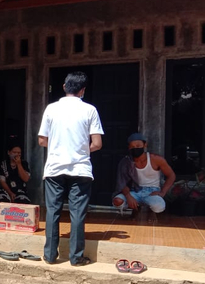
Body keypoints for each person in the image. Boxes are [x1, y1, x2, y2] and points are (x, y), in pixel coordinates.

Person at [38, 71, 104, 266]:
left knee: (52, 211)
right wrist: (80, 150)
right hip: (80, 169)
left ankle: (50, 256)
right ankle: (76, 257)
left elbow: (42, 140)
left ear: (64, 87)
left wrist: (60, 147)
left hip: (54, 169)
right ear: (83, 90)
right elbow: (97, 143)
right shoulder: (90, 110)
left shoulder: (51, 109)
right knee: (77, 213)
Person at [112, 133, 176, 215]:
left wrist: (163, 192)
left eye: (138, 146)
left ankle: (150, 211)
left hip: (152, 191)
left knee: (158, 206)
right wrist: (128, 196)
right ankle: (135, 208)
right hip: (133, 191)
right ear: (129, 148)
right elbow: (122, 182)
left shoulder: (156, 159)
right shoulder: (126, 162)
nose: (135, 149)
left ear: (145, 145)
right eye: (132, 147)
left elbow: (171, 176)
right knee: (117, 201)